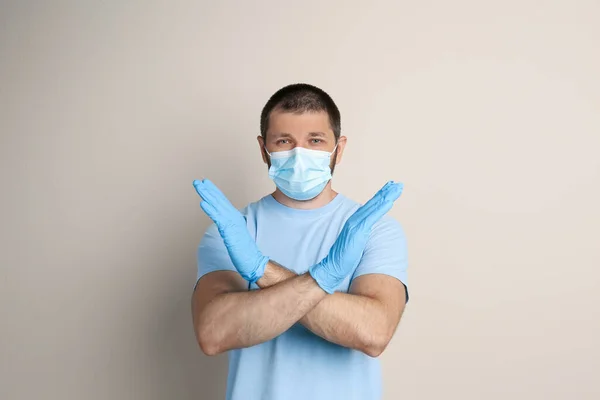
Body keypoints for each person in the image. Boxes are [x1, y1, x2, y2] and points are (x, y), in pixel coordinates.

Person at [191, 83, 409, 400]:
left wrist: (261, 271)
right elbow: (213, 333)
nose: (299, 154)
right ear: (263, 148)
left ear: (340, 147)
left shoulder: (373, 229)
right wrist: (325, 279)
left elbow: (373, 333)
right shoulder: (230, 229)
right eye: (284, 141)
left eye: (315, 141)